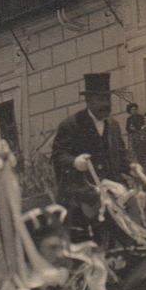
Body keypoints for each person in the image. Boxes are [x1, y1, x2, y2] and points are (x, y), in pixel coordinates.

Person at [51, 73, 131, 240]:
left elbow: (122, 156)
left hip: (112, 188)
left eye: (108, 100)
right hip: (82, 191)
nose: (106, 104)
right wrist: (74, 162)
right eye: (100, 100)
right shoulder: (71, 125)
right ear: (88, 101)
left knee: (132, 203)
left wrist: (132, 167)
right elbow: (58, 156)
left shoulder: (114, 126)